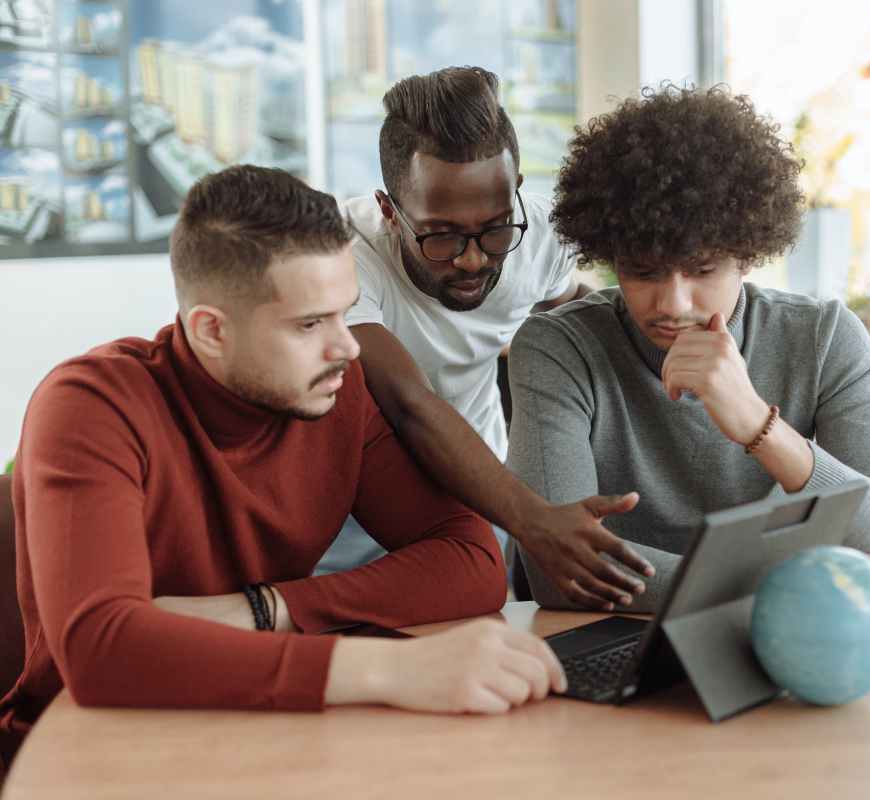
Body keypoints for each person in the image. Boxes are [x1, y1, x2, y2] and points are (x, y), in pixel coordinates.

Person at [0, 166, 565, 768]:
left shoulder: (335, 392)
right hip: (87, 756)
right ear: (211, 331)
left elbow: (471, 560)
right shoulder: (90, 406)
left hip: (261, 740)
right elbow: (102, 653)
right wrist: (390, 670)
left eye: (345, 314)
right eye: (310, 324)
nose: (347, 347)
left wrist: (266, 608)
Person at [506, 86, 870, 613]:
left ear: (748, 255)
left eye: (703, 269)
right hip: (620, 642)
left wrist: (759, 425)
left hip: (784, 641)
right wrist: (796, 585)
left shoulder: (823, 338)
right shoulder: (559, 348)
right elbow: (558, 572)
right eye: (642, 271)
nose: (672, 302)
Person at [322, 66, 653, 610]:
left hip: (481, 504)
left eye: (495, 228)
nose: (473, 258)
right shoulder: (339, 251)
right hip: (350, 521)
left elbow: (572, 303)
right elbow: (409, 403)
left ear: (516, 194)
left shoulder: (537, 236)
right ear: (389, 211)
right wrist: (535, 521)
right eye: (442, 236)